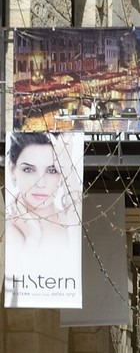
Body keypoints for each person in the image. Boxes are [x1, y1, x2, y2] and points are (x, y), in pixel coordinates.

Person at [4, 130, 83, 306]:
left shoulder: (71, 222)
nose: (40, 182)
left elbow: (75, 204)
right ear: (12, 169)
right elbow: (18, 284)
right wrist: (33, 236)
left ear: (61, 175)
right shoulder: (10, 229)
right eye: (29, 169)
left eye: (52, 170)